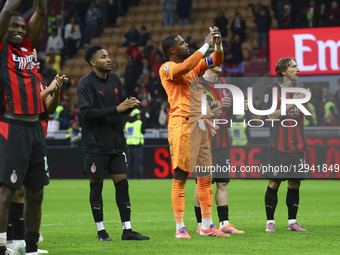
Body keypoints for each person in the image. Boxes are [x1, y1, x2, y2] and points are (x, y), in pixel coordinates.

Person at [159, 27, 228, 239]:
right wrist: (205, 45)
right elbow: (183, 68)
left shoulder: (194, 67)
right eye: (182, 43)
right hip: (182, 125)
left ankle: (206, 225)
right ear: (172, 50)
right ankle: (180, 227)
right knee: (180, 175)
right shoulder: (167, 67)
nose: (186, 44)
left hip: (200, 125)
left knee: (206, 175)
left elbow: (216, 60)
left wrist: (217, 44)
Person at [77, 44, 149, 241]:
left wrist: (129, 106)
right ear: (93, 62)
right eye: (103, 57)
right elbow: (87, 113)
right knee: (96, 187)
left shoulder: (115, 79)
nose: (108, 59)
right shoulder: (86, 84)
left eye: (108, 56)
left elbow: (121, 106)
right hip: (96, 145)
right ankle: (101, 231)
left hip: (116, 143)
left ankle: (127, 230)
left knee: (123, 186)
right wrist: (117, 109)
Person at [0, 1, 50, 254]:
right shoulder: (2, 48)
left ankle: (30, 248)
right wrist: (12, 5)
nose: (19, 29)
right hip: (12, 124)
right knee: (6, 190)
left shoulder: (29, 47)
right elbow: (7, 11)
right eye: (14, 26)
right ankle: (1, 247)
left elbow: (41, 11)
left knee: (36, 191)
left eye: (22, 26)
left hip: (35, 127)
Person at [194, 49, 244, 235]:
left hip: (223, 140)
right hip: (202, 142)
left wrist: (238, 108)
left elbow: (226, 113)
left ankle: (224, 222)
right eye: (216, 60)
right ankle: (202, 224)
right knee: (202, 183)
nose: (220, 63)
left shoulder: (225, 84)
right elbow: (196, 113)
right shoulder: (197, 85)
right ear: (207, 63)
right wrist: (218, 105)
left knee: (222, 183)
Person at [263, 57, 314, 233]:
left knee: (294, 183)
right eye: (293, 66)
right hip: (278, 145)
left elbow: (308, 117)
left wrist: (305, 103)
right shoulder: (271, 91)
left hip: (298, 145)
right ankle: (270, 222)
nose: (298, 69)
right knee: (274, 183)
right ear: (283, 71)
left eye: (297, 66)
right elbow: (270, 116)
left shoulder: (300, 91)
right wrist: (295, 101)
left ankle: (292, 221)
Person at [125, 108, 145, 179]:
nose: (139, 116)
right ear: (136, 115)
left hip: (129, 145)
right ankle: (138, 177)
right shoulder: (139, 123)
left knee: (130, 163)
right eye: (138, 114)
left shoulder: (127, 124)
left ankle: (130, 176)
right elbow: (143, 131)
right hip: (137, 145)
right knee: (138, 162)